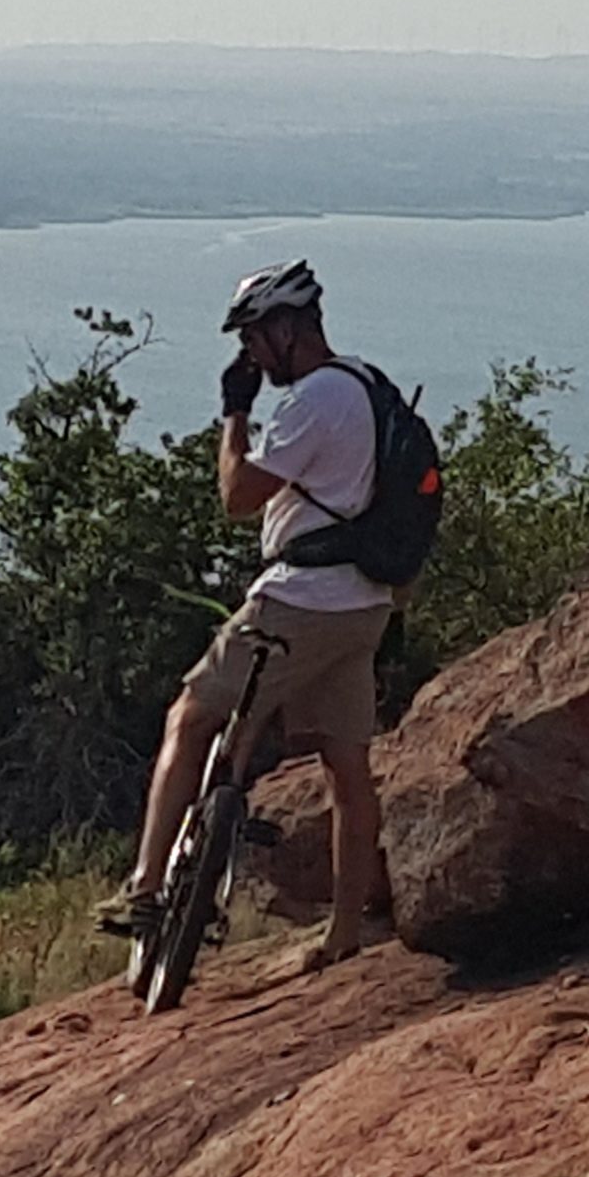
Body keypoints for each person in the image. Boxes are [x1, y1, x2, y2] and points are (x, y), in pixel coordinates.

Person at [95, 259, 395, 967]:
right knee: (348, 772)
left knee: (191, 715)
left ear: (289, 329)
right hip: (365, 606)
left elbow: (237, 494)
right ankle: (344, 933)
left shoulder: (313, 400)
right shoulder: (369, 385)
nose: (252, 355)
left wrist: (235, 414)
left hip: (299, 602)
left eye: (257, 339)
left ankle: (142, 886)